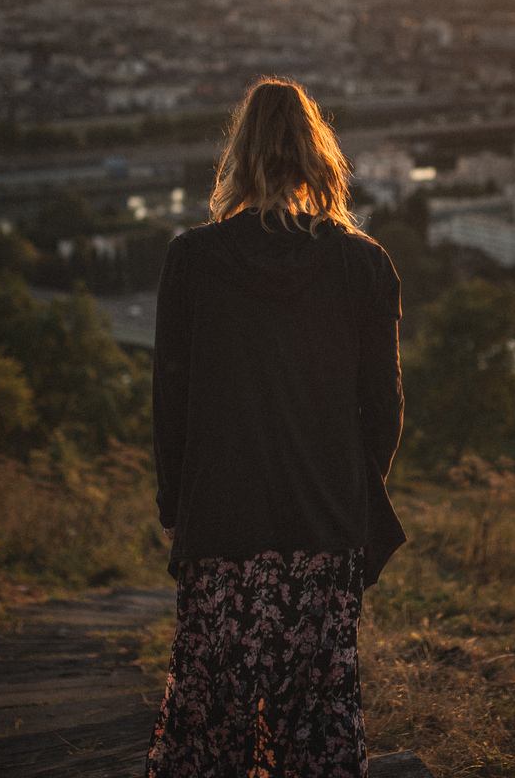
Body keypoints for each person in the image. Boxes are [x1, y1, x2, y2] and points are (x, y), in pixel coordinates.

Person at [145, 76, 406, 778]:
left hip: (221, 530)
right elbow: (383, 414)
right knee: (317, 730)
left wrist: (178, 508)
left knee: (210, 735)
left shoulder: (191, 259)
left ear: (239, 156)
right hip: (324, 532)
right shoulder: (364, 264)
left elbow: (172, 402)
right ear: (316, 158)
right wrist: (347, 492)